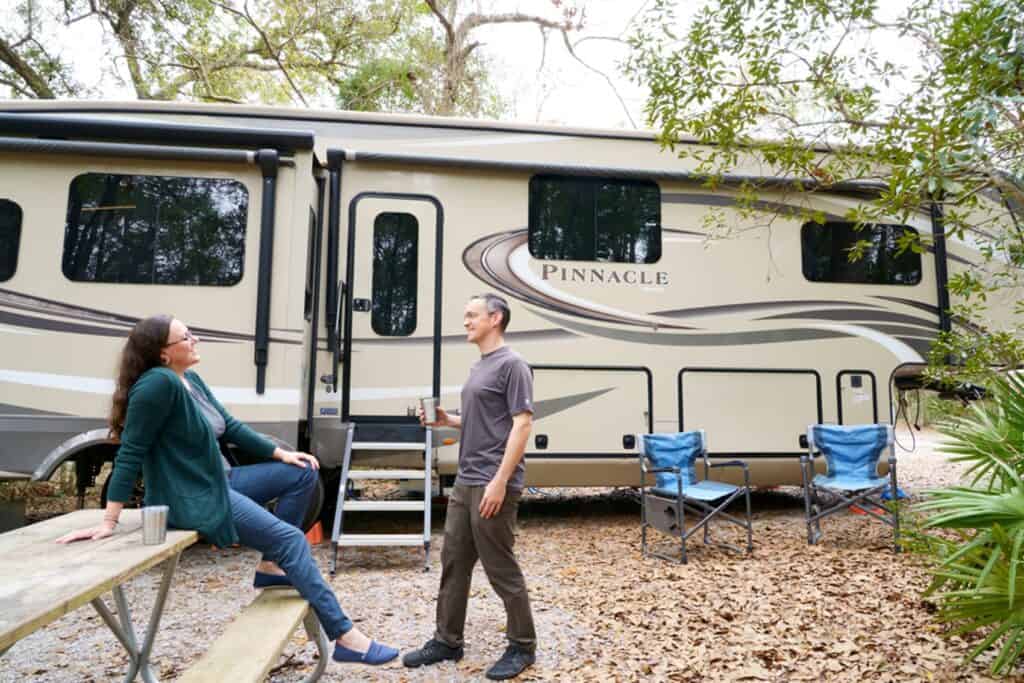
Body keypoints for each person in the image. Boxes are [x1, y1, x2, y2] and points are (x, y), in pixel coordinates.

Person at [57, 314, 398, 666]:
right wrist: (109, 521)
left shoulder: (189, 380)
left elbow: (230, 426)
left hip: (219, 480)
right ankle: (345, 637)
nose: (195, 340)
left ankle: (271, 565)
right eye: (185, 337)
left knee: (302, 474)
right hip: (192, 497)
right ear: (163, 353)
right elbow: (131, 452)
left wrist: (281, 454)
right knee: (291, 540)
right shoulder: (157, 384)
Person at [403, 293, 537, 681]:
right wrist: (448, 419)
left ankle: (522, 646)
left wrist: (500, 481)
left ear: (495, 318)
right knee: (454, 563)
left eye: (472, 315)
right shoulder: (480, 366)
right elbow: (485, 420)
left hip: (492, 482)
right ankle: (447, 640)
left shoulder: (513, 365)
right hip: (467, 480)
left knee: (500, 567)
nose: (466, 321)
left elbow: (522, 424)